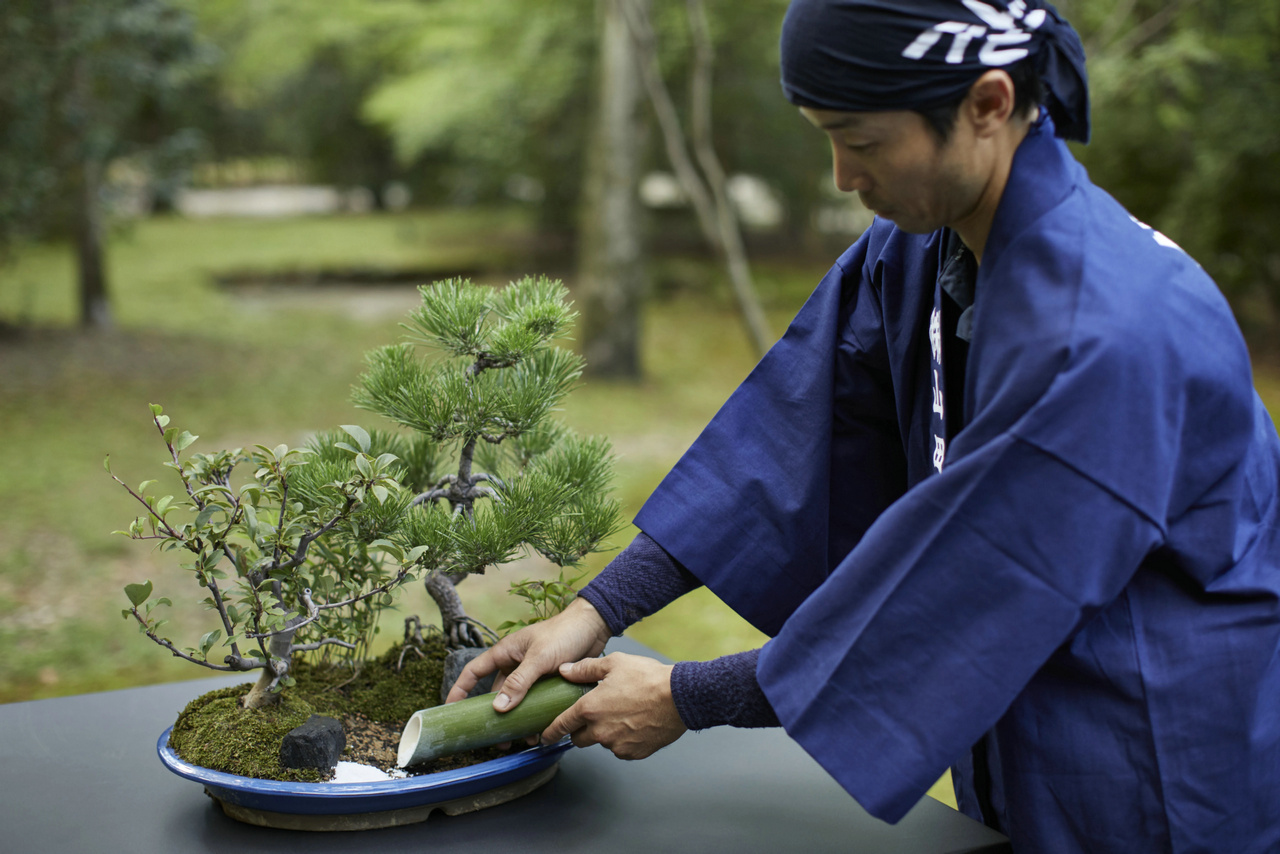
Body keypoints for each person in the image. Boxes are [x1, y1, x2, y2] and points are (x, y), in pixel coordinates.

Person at [448, 1, 1280, 850]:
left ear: (989, 104)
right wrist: (593, 611)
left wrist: (685, 697)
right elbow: (780, 446)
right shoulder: (924, 243)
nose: (845, 175)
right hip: (1023, 722)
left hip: (1154, 744)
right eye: (825, 136)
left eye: (865, 141)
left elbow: (956, 595)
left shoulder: (1110, 332)